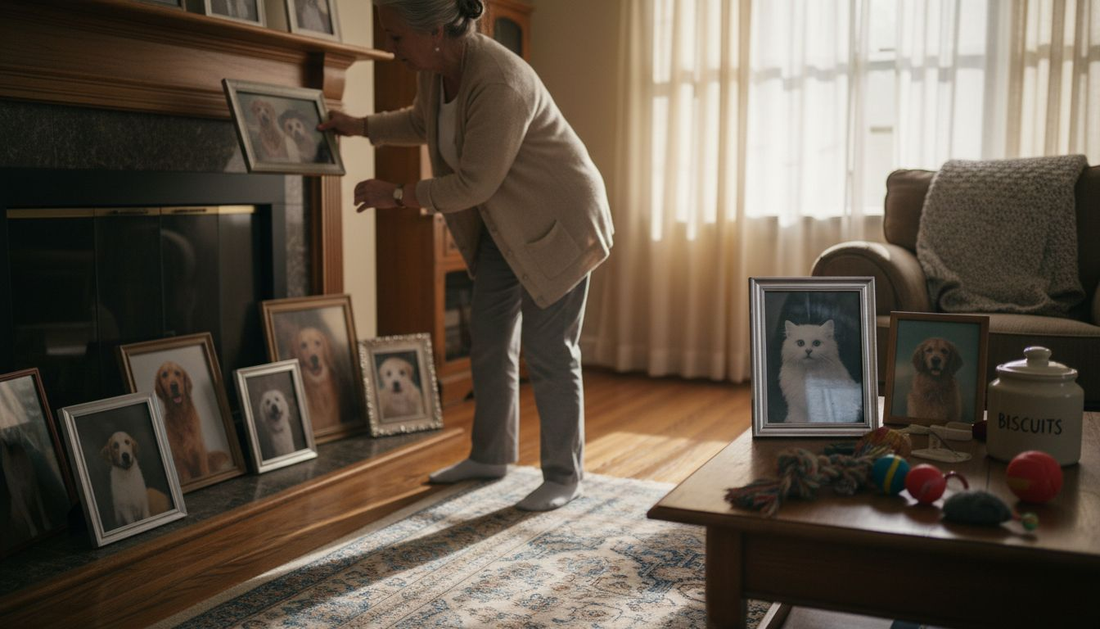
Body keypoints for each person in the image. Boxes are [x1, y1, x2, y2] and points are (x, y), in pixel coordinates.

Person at [319, 0, 613, 511]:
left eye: (396, 38)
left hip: (560, 223)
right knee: (489, 340)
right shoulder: (436, 71)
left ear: (434, 31)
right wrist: (357, 126)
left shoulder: (498, 80)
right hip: (507, 225)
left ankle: (565, 476)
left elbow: (474, 182)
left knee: (549, 352)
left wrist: (398, 194)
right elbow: (419, 124)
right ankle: (490, 455)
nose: (392, 49)